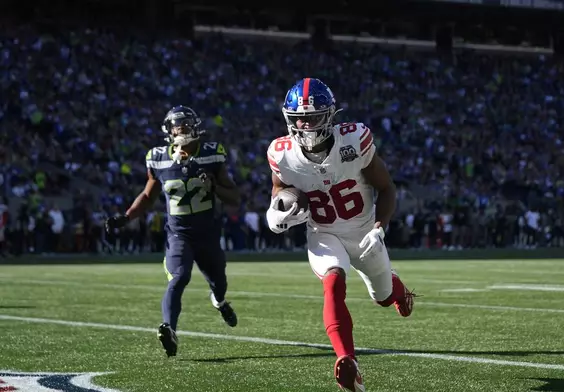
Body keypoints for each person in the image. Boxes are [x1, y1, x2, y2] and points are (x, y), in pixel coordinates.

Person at [265, 78, 416, 392]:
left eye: (312, 117)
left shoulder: (353, 140)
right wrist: (277, 211)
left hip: (364, 232)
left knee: (384, 297)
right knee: (333, 281)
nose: (304, 125)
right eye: (298, 119)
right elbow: (278, 191)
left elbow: (386, 187)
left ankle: (398, 290)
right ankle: (347, 361)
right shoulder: (281, 153)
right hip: (324, 232)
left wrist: (380, 227)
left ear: (330, 115)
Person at [105, 106, 241, 357]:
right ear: (169, 131)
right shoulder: (158, 158)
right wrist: (126, 217)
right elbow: (148, 196)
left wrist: (213, 187)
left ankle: (219, 302)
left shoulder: (212, 154)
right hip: (179, 233)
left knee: (219, 283)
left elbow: (234, 197)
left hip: (208, 233)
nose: (182, 131)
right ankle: (169, 329)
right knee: (179, 277)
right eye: (177, 127)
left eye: (186, 126)